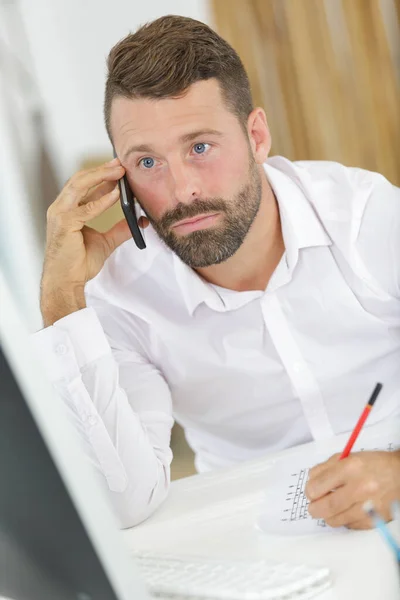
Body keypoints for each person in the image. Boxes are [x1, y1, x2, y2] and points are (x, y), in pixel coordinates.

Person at [32, 15, 400, 529]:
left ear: (257, 136)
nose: (182, 189)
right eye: (147, 163)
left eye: (199, 147)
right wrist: (62, 299)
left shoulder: (367, 218)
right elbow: (121, 503)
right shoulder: (121, 300)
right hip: (255, 542)